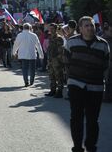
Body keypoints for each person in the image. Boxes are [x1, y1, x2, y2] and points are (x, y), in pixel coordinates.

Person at [64, 16, 110, 152]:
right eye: (86, 26)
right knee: (76, 118)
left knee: (92, 120)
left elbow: (106, 66)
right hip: (76, 85)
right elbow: (66, 62)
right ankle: (77, 147)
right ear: (80, 28)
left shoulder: (103, 44)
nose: (90, 28)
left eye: (91, 25)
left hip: (95, 87)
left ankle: (91, 146)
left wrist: (103, 81)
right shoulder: (72, 42)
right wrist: (71, 79)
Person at [45, 23, 65, 98]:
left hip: (57, 60)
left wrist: (59, 61)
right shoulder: (50, 37)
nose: (51, 30)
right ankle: (53, 90)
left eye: (52, 29)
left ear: (56, 29)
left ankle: (59, 91)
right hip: (51, 59)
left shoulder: (59, 38)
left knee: (59, 76)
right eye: (50, 29)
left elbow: (61, 50)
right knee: (51, 75)